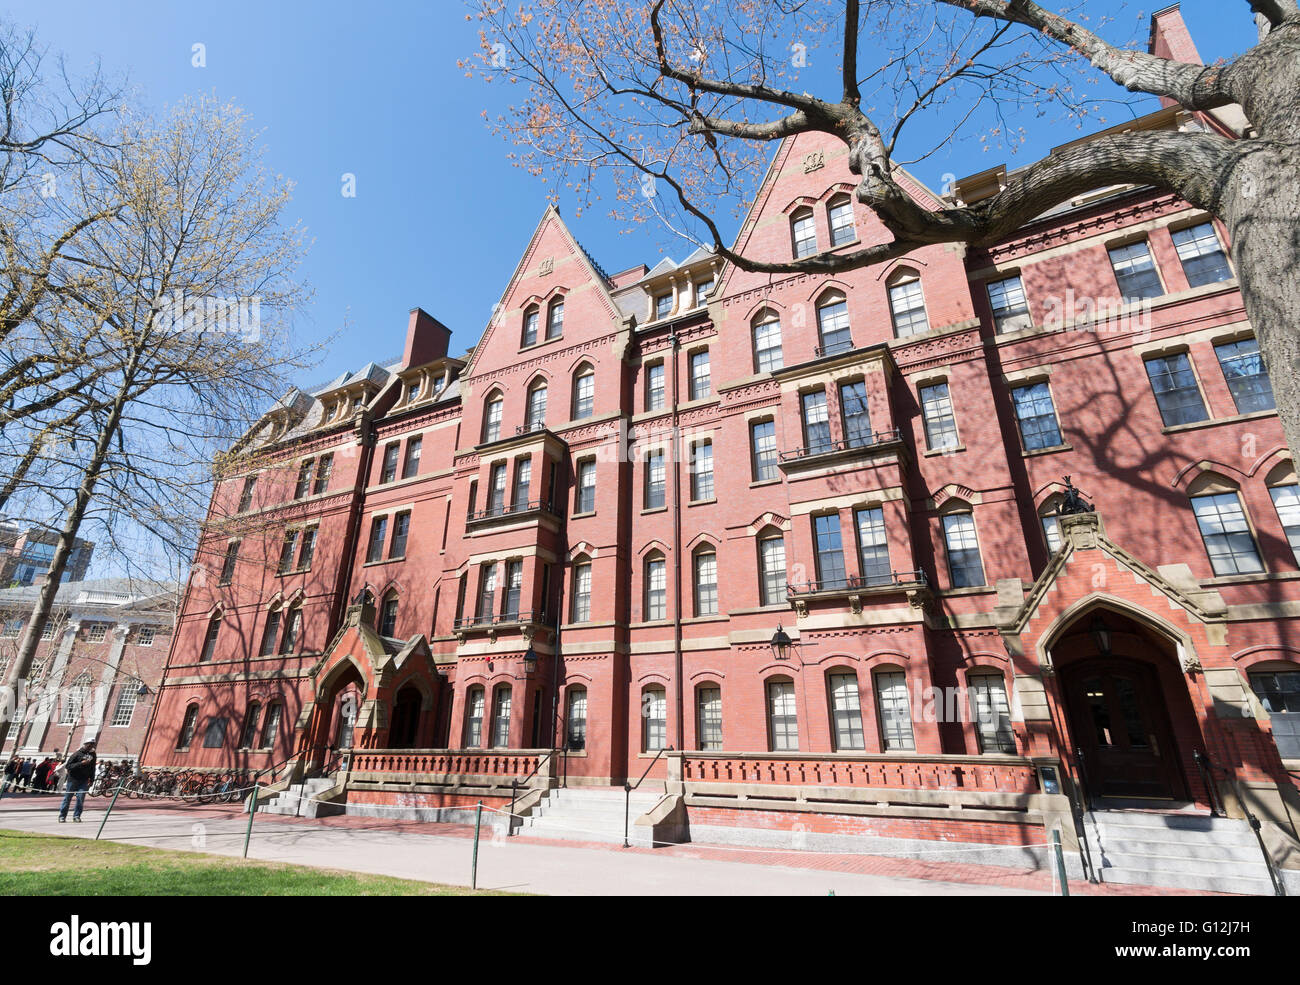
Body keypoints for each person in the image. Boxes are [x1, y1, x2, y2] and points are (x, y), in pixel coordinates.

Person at [58, 741, 97, 822]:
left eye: (92, 745)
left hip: (84, 780)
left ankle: (76, 816)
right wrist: (81, 763)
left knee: (80, 798)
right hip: (73, 779)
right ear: (85, 745)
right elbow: (68, 766)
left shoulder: (93, 755)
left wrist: (92, 779)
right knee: (67, 798)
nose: (91, 747)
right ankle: (62, 816)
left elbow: (93, 768)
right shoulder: (77, 754)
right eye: (89, 745)